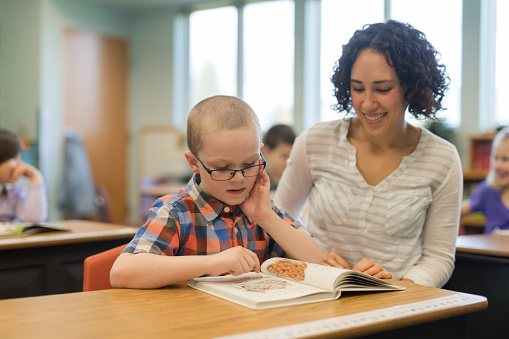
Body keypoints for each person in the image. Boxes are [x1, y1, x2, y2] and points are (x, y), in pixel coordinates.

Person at [274, 20, 462, 288]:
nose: (367, 103)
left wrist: (397, 290)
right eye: (358, 88)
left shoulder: (442, 158)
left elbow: (439, 257)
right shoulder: (316, 141)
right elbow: (280, 222)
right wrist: (312, 258)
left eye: (383, 89)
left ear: (411, 87)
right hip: (318, 293)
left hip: (398, 306)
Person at [111, 96, 332, 289]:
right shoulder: (176, 212)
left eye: (249, 164)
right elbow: (122, 272)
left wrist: (265, 217)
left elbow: (314, 258)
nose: (238, 178)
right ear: (194, 163)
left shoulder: (262, 211)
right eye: (222, 168)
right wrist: (213, 263)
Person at [461, 127, 509, 234]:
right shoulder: (487, 191)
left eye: (505, 159)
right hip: (493, 250)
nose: (497, 165)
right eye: (495, 158)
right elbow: (454, 212)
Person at [0, 128, 47, 223]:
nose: (19, 165)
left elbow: (33, 219)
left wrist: (36, 176)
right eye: (14, 158)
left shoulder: (13, 192)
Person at [262, 124, 296, 190]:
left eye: (292, 157)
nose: (289, 162)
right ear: (267, 151)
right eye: (284, 156)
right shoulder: (259, 184)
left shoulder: (294, 183)